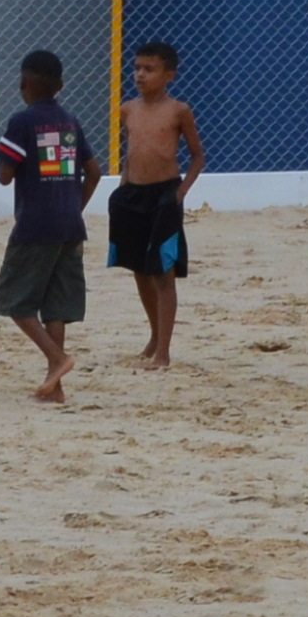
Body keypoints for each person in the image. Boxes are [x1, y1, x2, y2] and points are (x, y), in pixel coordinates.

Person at [0, 48, 97, 403]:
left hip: (35, 225)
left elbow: (5, 177)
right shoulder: (70, 121)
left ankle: (57, 359)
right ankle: (56, 386)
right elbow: (94, 172)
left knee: (15, 301)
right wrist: (73, 206)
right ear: (61, 85)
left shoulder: (21, 122)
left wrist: (4, 158)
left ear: (23, 84)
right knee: (56, 305)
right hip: (70, 225)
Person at [108, 39, 206, 370]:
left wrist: (180, 193)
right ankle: (153, 335)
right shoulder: (127, 110)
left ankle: (164, 350)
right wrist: (122, 189)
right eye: (136, 68)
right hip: (132, 194)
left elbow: (197, 157)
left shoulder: (179, 111)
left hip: (164, 195)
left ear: (169, 75)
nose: (140, 74)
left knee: (163, 272)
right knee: (138, 268)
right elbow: (131, 153)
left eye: (149, 69)